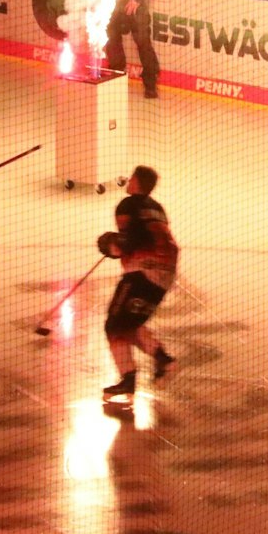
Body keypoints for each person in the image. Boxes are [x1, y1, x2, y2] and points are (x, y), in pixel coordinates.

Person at [98, 166, 178, 405]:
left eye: (132, 178)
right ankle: (163, 360)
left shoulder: (127, 205)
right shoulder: (157, 208)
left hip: (143, 272)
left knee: (114, 325)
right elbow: (147, 235)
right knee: (131, 324)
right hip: (166, 275)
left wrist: (111, 245)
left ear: (137, 182)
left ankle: (128, 379)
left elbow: (129, 242)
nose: (129, 181)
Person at [104, 0, 160, 98]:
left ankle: (150, 85)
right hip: (113, 1)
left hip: (135, 3)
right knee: (112, 37)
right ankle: (116, 77)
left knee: (143, 43)